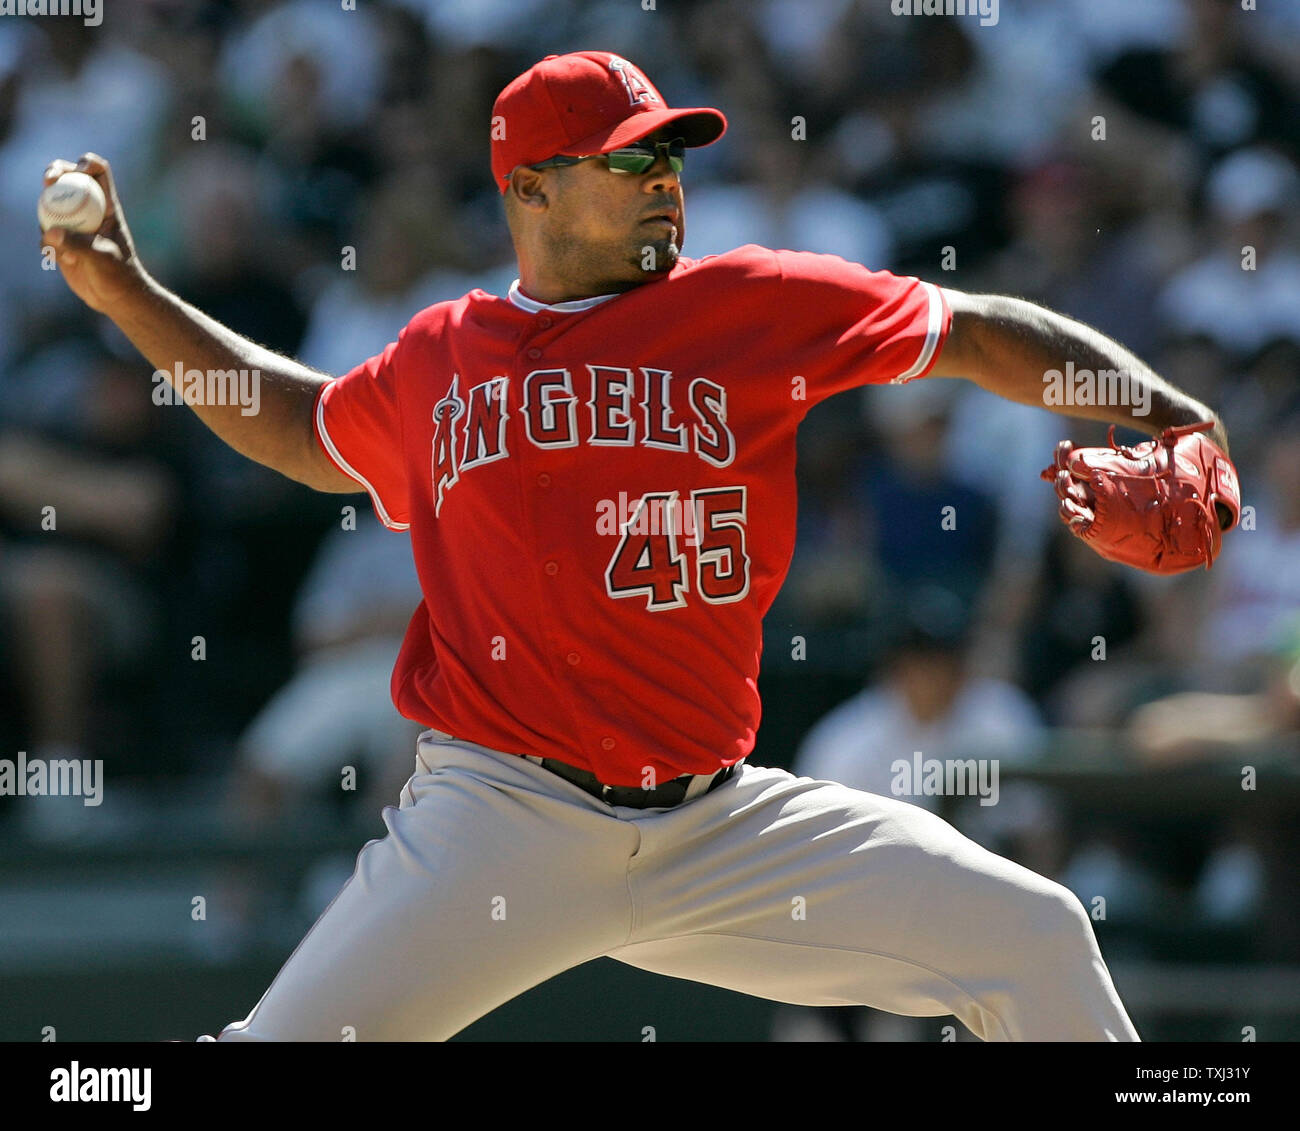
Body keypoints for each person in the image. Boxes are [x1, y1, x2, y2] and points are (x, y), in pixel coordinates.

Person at [42, 50, 1231, 1042]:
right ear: (532, 190)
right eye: (631, 161)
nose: (666, 182)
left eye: (670, 156)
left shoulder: (755, 301)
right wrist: (132, 292)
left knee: (1032, 936)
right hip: (501, 818)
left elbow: (973, 331)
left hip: (721, 827)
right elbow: (307, 428)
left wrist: (1172, 419)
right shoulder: (443, 351)